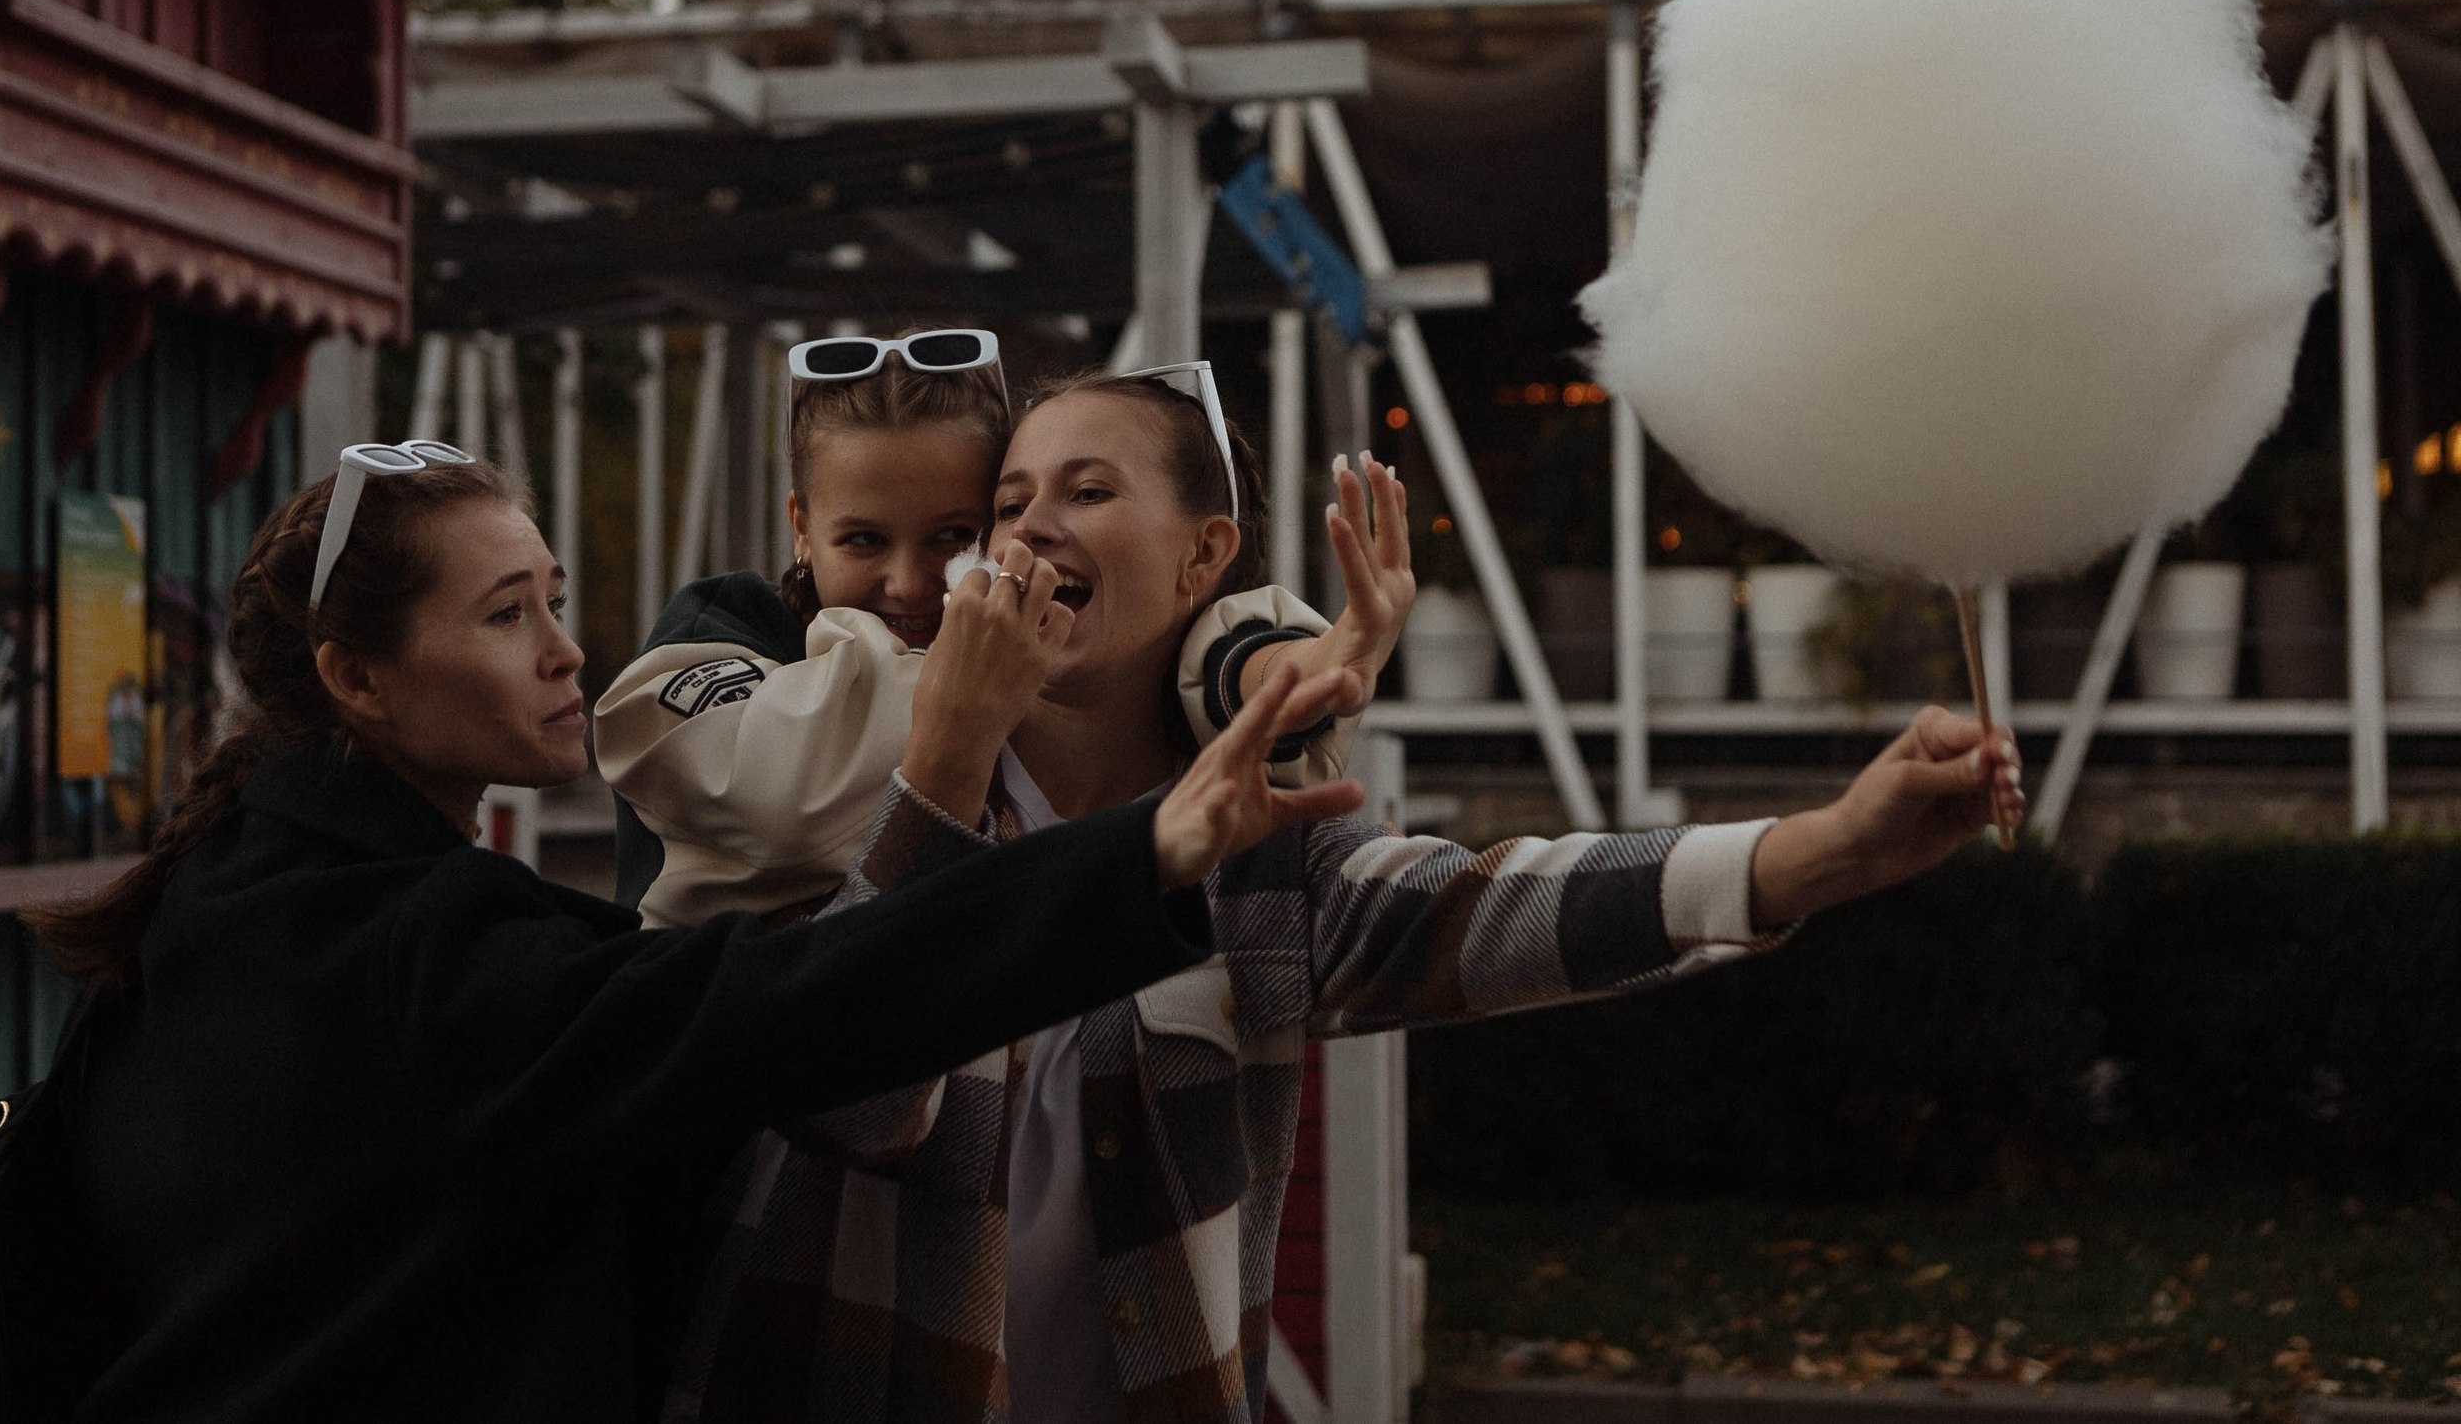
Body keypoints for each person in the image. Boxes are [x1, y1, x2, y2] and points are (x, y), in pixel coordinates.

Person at [668, 373, 2028, 1424]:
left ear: (1206, 558)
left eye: (1085, 490)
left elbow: (1499, 908)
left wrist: (1832, 843)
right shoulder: (845, 785)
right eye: (1008, 500)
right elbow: (848, 1091)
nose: (1029, 527)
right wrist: (947, 764)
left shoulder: (1263, 846)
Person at [21, 442, 1364, 1423]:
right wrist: (1136, 848)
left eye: (552, 594)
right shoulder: (421, 953)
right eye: (507, 614)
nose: (565, 646)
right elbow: (779, 1008)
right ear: (358, 679)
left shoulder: (222, 892)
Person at [595, 330, 1405, 926]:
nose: (909, 583)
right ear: (801, 528)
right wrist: (1007, 680)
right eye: (863, 540)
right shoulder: (715, 642)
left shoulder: (1028, 688)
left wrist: (1281, 665)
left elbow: (1201, 651)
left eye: (957, 534)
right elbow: (780, 784)